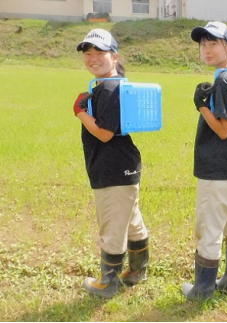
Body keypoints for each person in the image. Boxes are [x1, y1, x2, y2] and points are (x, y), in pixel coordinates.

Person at [74, 29, 149, 298]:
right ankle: (138, 271)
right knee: (131, 220)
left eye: (99, 52)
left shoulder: (108, 87)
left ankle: (107, 283)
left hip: (112, 168)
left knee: (112, 225)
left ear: (114, 56)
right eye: (88, 53)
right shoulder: (117, 84)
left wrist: (80, 111)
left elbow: (104, 133)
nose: (92, 58)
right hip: (126, 166)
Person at [181, 21, 227, 300]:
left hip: (217, 168)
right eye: (203, 44)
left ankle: (203, 288)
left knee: (209, 226)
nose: (206, 49)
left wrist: (201, 106)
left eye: (213, 43)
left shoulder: (222, 80)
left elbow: (222, 129)